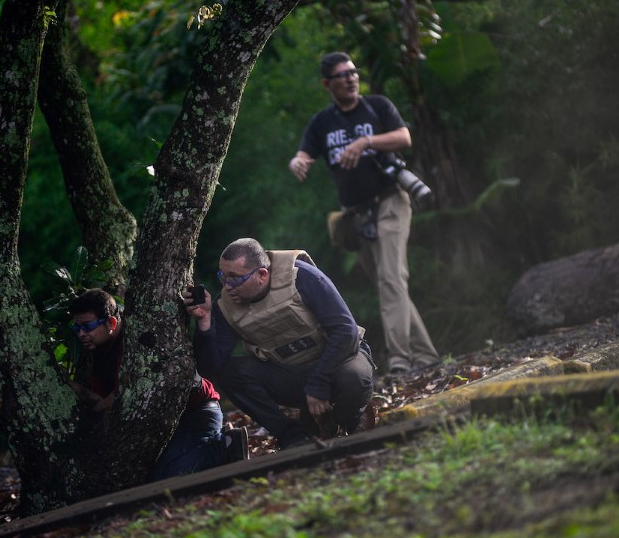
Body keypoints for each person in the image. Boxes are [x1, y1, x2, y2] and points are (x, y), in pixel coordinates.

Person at [288, 51, 440, 376]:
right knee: (388, 283)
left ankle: (401, 361)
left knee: (391, 279)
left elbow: (404, 137)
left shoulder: (378, 107)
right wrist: (298, 162)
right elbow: (303, 154)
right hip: (356, 216)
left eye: (353, 72)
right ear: (327, 83)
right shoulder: (322, 122)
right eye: (342, 75)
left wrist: (365, 141)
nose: (350, 78)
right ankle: (426, 355)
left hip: (390, 202)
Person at [186, 238, 375, 449]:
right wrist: (204, 322)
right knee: (231, 373)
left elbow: (345, 331)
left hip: (340, 362)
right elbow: (210, 367)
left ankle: (347, 416)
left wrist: (318, 382)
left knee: (353, 379)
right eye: (223, 276)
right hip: (293, 374)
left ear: (262, 275)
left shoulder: (301, 276)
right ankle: (293, 435)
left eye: (235, 278)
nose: (227, 286)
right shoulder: (226, 307)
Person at [68, 288, 248, 480]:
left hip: (197, 412)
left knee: (171, 477)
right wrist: (76, 390)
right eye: (77, 328)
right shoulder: (98, 352)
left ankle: (228, 443)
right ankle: (210, 444)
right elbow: (104, 401)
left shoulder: (138, 340)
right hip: (169, 423)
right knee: (151, 475)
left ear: (111, 323)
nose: (81, 334)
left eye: (87, 327)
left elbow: (122, 395)